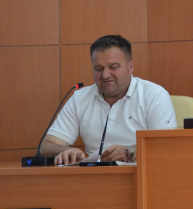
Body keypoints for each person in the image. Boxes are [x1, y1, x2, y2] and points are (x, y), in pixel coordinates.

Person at [41, 35, 176, 164]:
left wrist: (131, 151)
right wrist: (66, 151)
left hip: (140, 172)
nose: (105, 75)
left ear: (130, 67)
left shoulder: (154, 95)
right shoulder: (80, 98)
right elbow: (47, 145)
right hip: (94, 174)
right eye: (98, 68)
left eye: (113, 67)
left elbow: (167, 145)